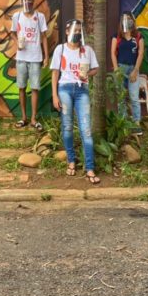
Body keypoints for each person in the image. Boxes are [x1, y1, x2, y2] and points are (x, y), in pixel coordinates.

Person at [51, 19, 101, 184]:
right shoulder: (60, 49)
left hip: (82, 91)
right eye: (74, 30)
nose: (77, 33)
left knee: (86, 129)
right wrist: (54, 95)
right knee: (67, 127)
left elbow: (95, 69)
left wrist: (87, 74)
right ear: (67, 31)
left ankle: (89, 168)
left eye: (79, 30)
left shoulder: (87, 50)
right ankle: (71, 160)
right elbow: (55, 73)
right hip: (64, 89)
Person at [10, 0, 49, 131]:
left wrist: (46, 56)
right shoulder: (17, 16)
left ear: (33, 0)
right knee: (21, 87)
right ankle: (23, 117)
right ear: (21, 1)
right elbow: (12, 33)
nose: (27, 2)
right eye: (24, 0)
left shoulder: (40, 16)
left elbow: (44, 37)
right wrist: (17, 43)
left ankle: (33, 119)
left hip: (35, 57)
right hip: (21, 58)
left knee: (34, 88)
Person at [110, 11, 144, 134]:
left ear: (132, 21)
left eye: (129, 19)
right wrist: (116, 70)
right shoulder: (117, 36)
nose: (127, 21)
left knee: (134, 97)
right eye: (125, 19)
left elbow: (141, 53)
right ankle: (123, 123)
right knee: (121, 98)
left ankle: (136, 123)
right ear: (121, 21)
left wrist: (135, 70)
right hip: (120, 69)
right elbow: (113, 53)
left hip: (133, 69)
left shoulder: (138, 36)